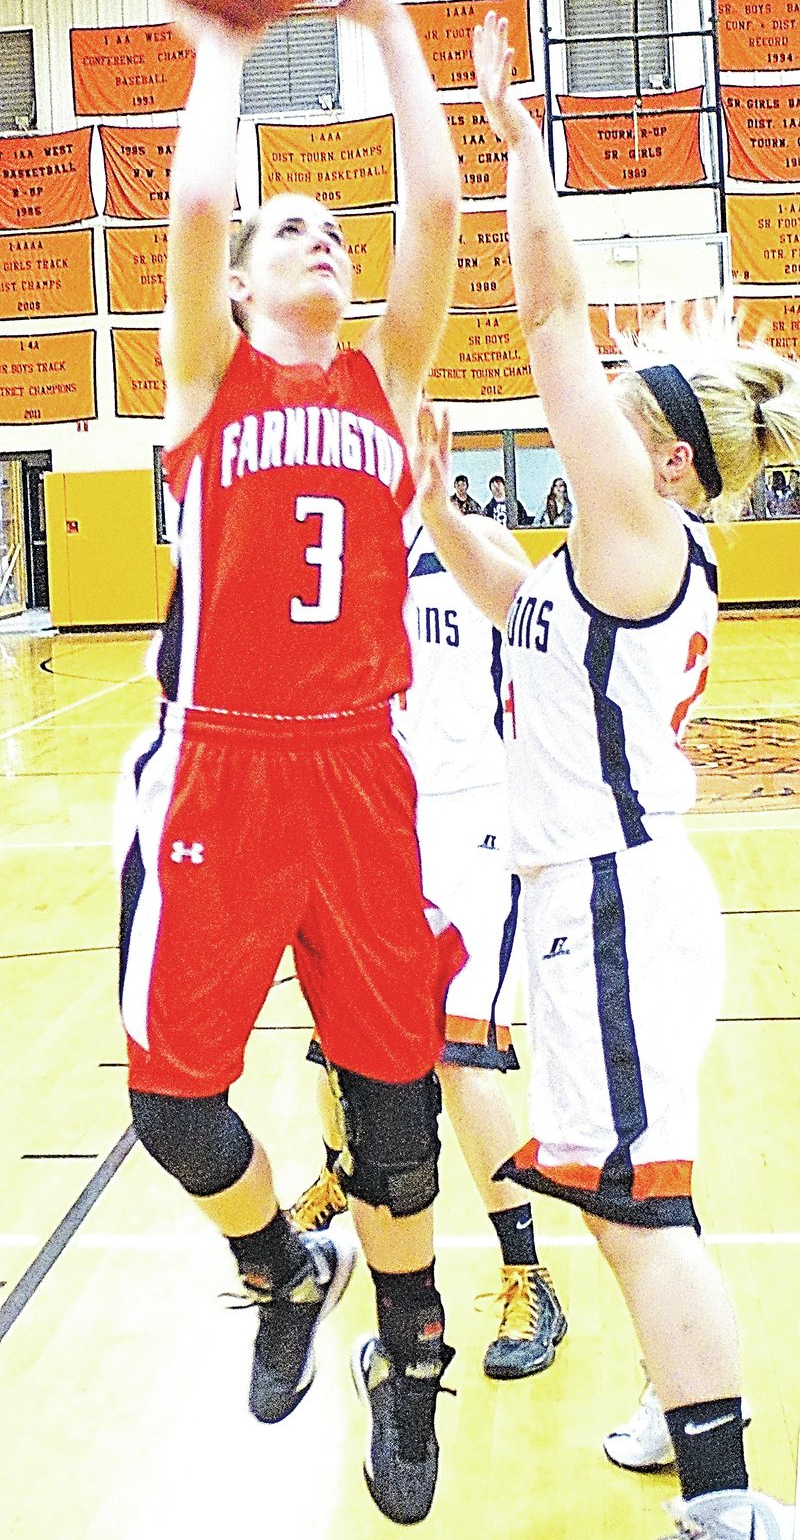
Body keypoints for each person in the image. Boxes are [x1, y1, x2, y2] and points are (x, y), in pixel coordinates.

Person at [412, 9, 800, 1540]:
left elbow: (550, 309)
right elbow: (515, 594)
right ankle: (674, 1402)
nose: (602, 422)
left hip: (619, 900)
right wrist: (441, 507)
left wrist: (516, 147)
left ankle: (729, 1496)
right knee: (640, 1188)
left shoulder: (647, 530)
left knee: (640, 1201)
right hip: (602, 899)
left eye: (633, 421)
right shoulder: (608, 562)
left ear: (678, 465)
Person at [115, 0, 462, 1528]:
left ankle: (411, 1347)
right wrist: (230, 38)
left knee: (395, 1108)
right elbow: (195, 199)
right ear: (248, 282)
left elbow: (439, 203)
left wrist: (386, 14)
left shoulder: (387, 385)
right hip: (221, 759)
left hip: (359, 764)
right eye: (296, 228)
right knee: (170, 1099)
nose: (325, 240)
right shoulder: (210, 388)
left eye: (337, 228)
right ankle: (279, 1262)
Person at [290, 509, 566, 1380]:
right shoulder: (340, 540)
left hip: (478, 816)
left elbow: (545, 669)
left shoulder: (473, 541)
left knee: (457, 1052)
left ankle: (529, 1271)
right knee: (339, 1032)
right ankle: (342, 1169)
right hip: (374, 814)